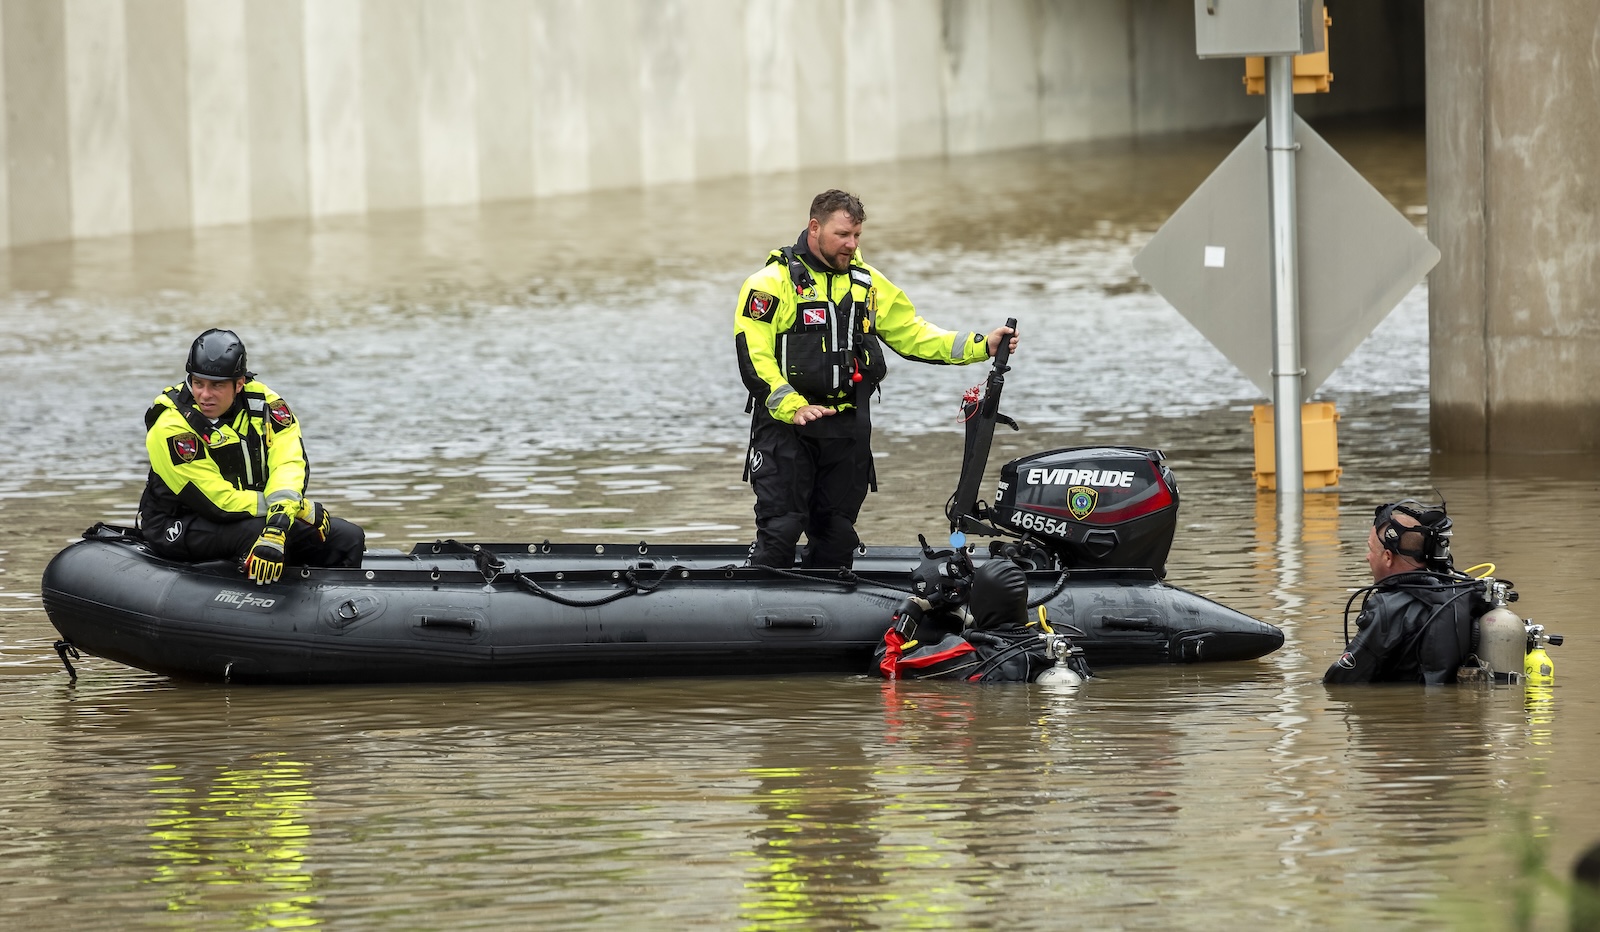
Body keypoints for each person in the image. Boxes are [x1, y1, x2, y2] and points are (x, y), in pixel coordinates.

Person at [734, 189, 1018, 569]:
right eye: (842, 235)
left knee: (836, 536)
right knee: (782, 528)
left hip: (846, 428)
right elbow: (755, 355)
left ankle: (828, 614)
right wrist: (792, 405)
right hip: (787, 429)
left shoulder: (866, 283)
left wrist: (981, 345)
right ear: (814, 227)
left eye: (857, 236)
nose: (851, 245)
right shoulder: (770, 283)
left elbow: (914, 334)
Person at [138, 329, 364, 584]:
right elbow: (216, 501)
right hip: (180, 522)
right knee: (259, 535)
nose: (204, 394)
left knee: (347, 536)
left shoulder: (267, 406)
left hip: (251, 513)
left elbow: (288, 464)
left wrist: (281, 516)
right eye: (198, 383)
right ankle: (259, 610)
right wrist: (294, 509)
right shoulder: (171, 425)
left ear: (239, 383)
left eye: (217, 385)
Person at [1323, 499, 1478, 685]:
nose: (1367, 557)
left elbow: (1340, 682)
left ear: (1388, 557)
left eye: (1371, 549)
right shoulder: (1464, 591)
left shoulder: (1387, 610)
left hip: (1415, 712)